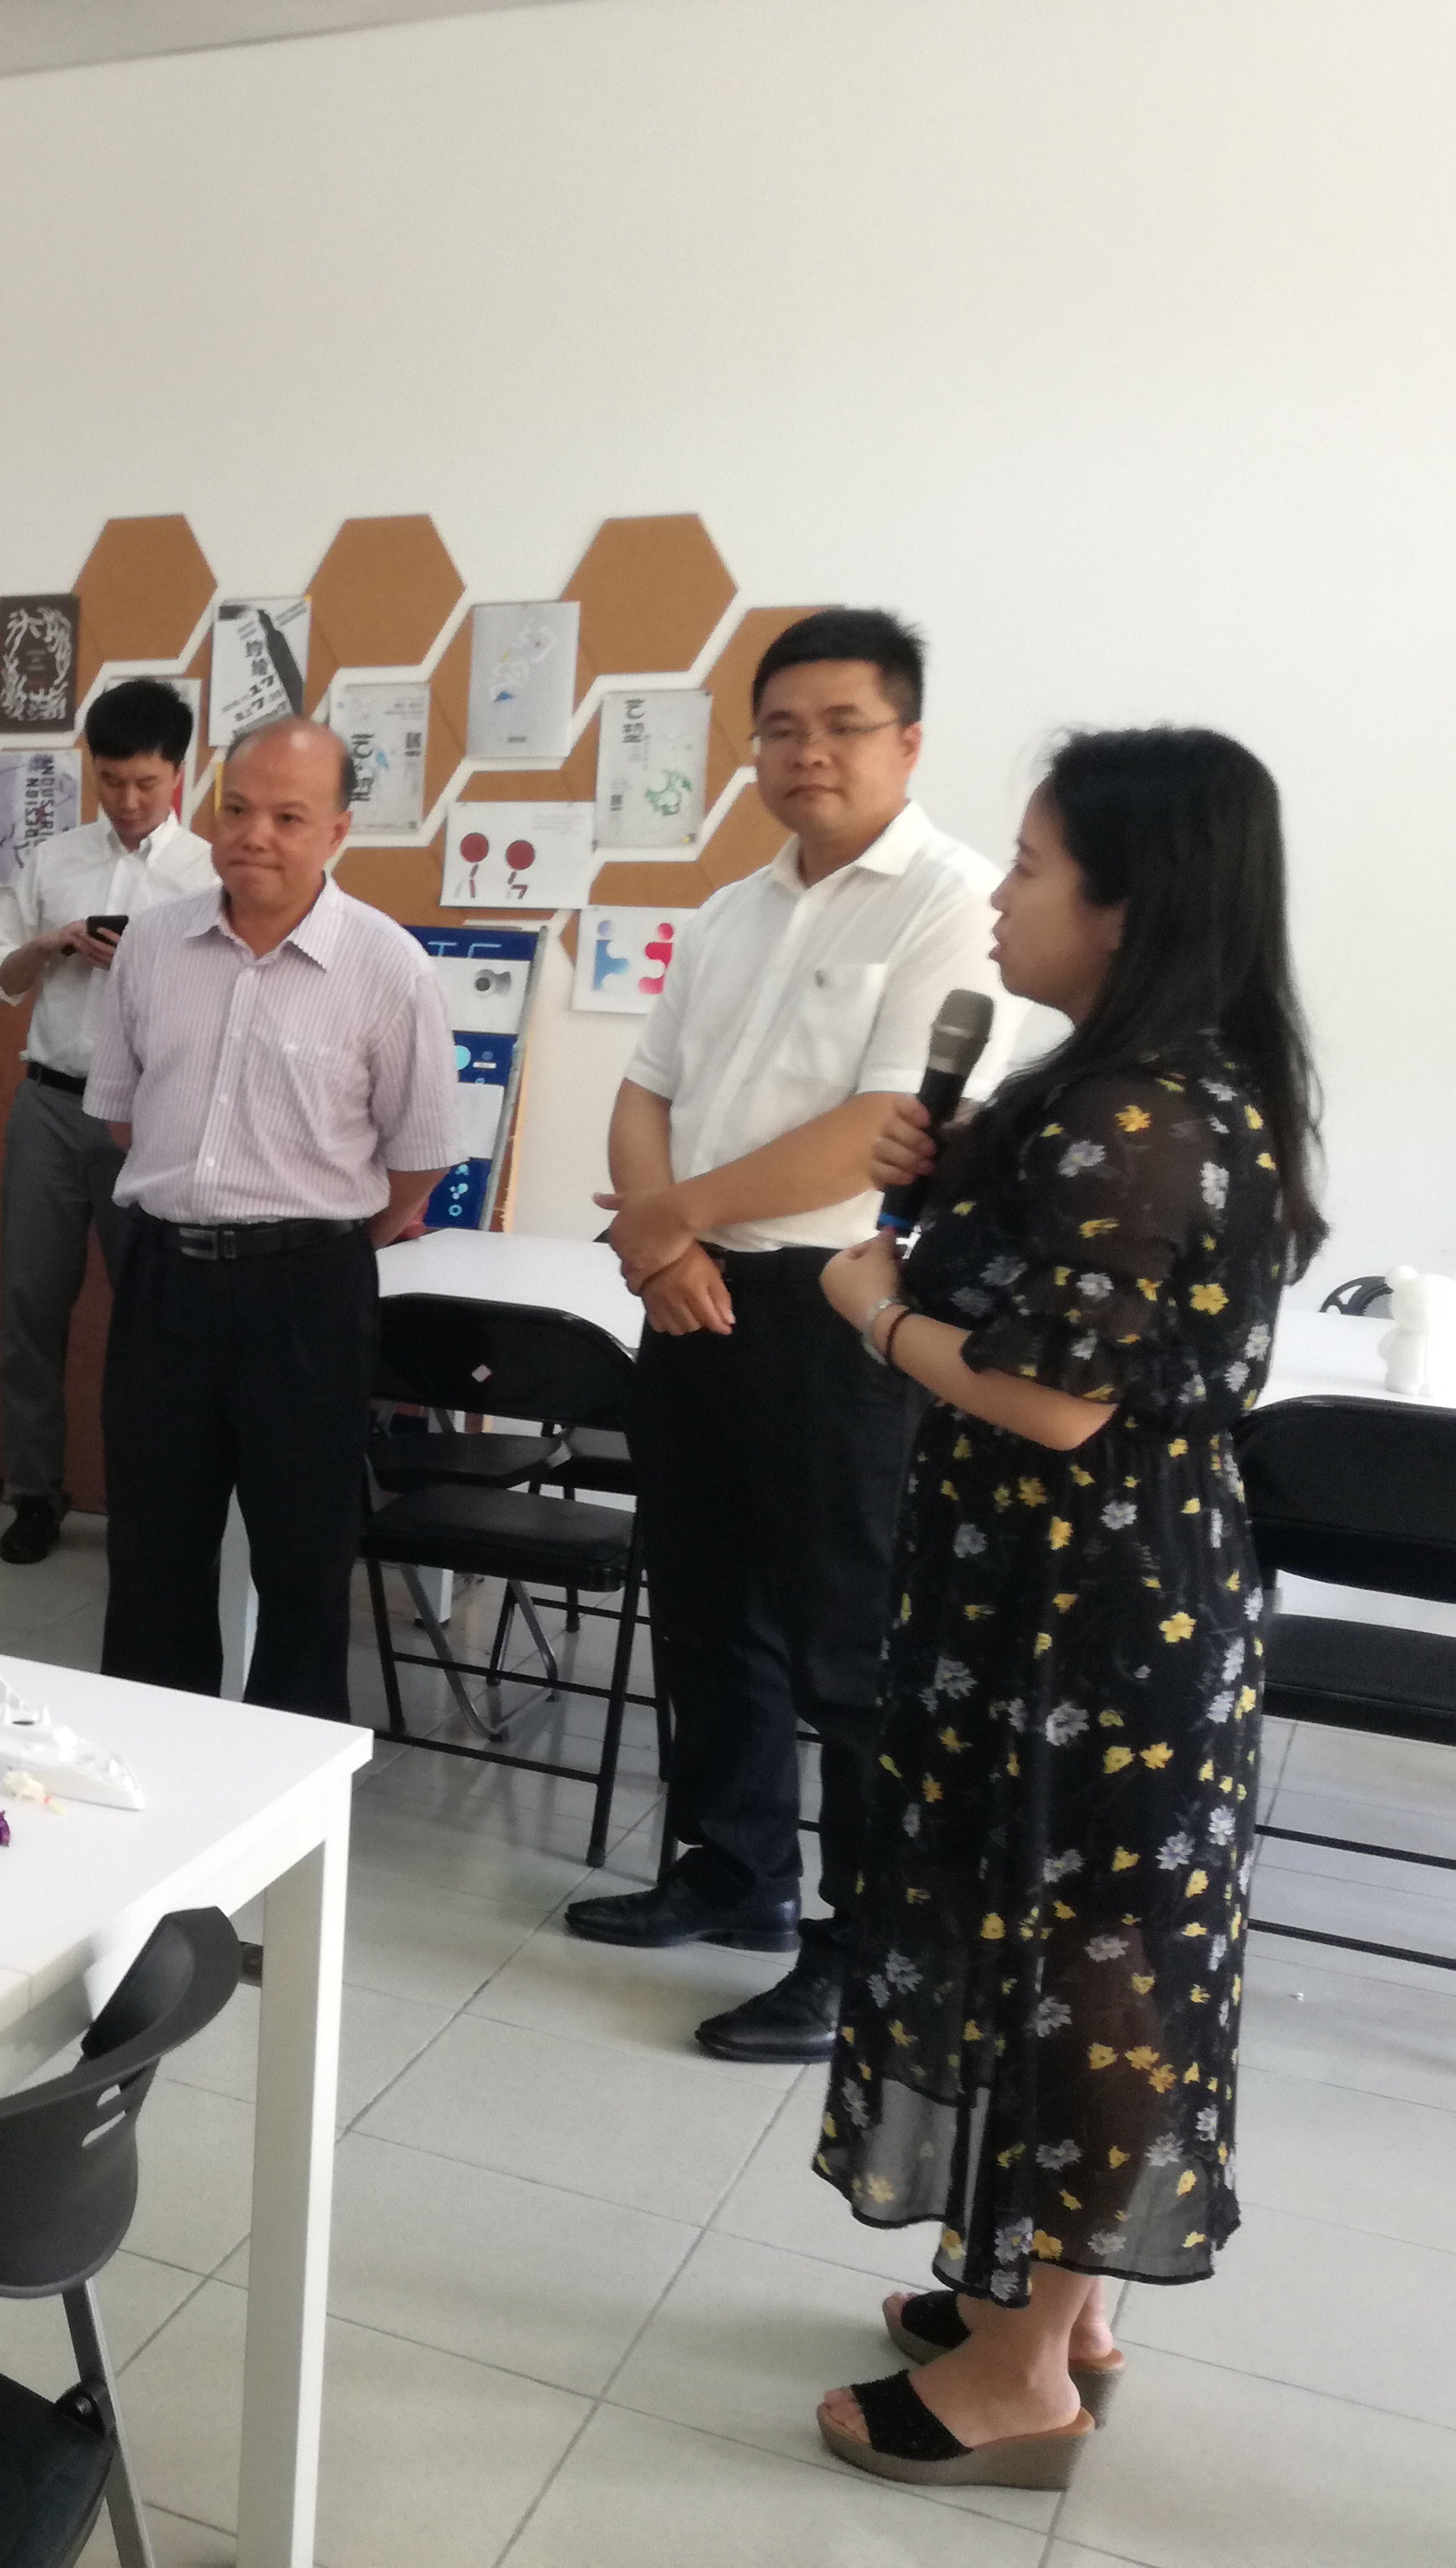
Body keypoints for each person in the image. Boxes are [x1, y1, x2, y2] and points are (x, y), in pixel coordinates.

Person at [805, 727, 1321, 2490]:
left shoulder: (1138, 1115)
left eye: (1029, 867)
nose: (1000, 898)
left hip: (1085, 1622)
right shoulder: (1146, 1085)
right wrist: (959, 1176)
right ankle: (1061, 2314)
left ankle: (1020, 2374)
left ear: (1126, 902)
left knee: (1078, 1960)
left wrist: (875, 1307)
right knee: (1083, 1949)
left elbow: (1056, 1398)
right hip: (1088, 1601)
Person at [564, 609, 1009, 2068]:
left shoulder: (953, 904)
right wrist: (666, 1242)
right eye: (780, 729)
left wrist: (665, 1219)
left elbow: (882, 1130)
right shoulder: (731, 909)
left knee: (849, 1646)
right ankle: (731, 1869)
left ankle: (864, 1948)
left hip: (839, 1315)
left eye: (842, 726)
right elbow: (645, 1087)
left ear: (908, 742)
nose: (806, 753)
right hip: (694, 1299)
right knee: (703, 1607)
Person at [88, 717, 459, 1717]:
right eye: (237, 809)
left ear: (336, 831)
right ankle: (150, 1761)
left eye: (288, 817)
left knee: (301, 1561)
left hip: (307, 1294)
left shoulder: (386, 967)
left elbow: (421, 1152)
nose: (253, 835)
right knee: (152, 1552)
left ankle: (288, 1779)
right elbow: (121, 1113)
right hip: (162, 1279)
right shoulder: (153, 945)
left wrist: (329, 1241)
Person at [0, 677, 216, 1564]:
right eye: (110, 780)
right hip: (47, 1104)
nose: (126, 799)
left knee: (151, 1326)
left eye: (145, 782)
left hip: (150, 1118)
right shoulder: (53, 860)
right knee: (28, 1309)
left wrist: (139, 966)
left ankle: (149, 1508)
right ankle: (33, 1493)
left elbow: (227, 1003)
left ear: (178, 774)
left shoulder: (208, 874)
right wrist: (49, 946)